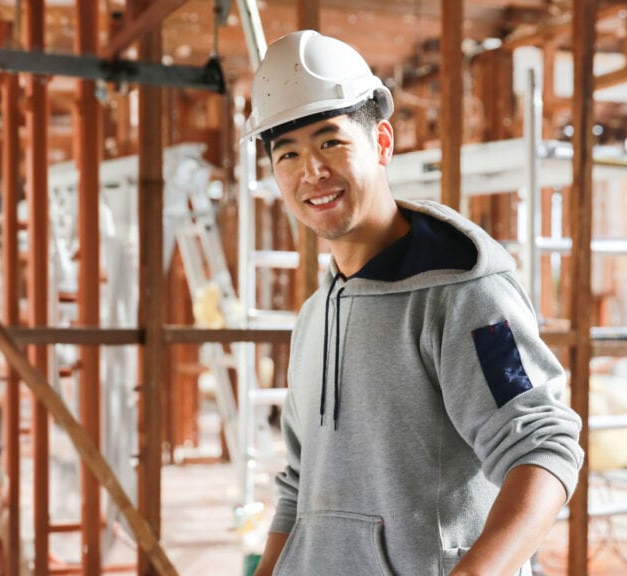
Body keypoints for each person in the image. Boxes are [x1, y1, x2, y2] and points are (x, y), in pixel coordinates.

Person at [246, 30, 584, 576]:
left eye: (331, 142)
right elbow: (299, 482)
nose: (312, 171)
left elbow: (542, 448)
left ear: (381, 142)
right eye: (288, 153)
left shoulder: (464, 294)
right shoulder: (315, 316)